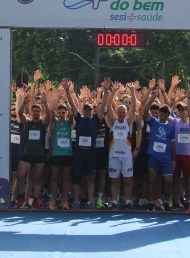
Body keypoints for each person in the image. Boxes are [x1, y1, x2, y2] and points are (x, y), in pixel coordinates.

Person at [11, 85, 50, 209]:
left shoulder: (43, 123)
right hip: (27, 153)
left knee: (38, 179)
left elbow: (49, 116)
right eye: (34, 111)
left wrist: (46, 103)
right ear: (32, 112)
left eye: (38, 111)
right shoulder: (27, 122)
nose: (36, 113)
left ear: (40, 113)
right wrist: (24, 103)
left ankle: (36, 199)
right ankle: (21, 197)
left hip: (39, 155)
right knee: (20, 176)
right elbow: (20, 114)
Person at [103, 81, 138, 209]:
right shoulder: (113, 122)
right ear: (117, 113)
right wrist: (112, 91)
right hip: (114, 156)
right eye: (120, 112)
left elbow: (134, 106)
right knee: (114, 180)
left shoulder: (129, 122)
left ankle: (128, 201)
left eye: (124, 112)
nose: (122, 114)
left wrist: (132, 92)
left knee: (128, 180)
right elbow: (108, 105)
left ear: (126, 113)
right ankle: (114, 201)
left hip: (126, 156)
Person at [142, 88, 177, 211]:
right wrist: (152, 97)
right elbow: (145, 111)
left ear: (168, 116)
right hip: (154, 156)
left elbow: (173, 144)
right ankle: (151, 202)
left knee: (169, 180)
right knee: (152, 179)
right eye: (161, 114)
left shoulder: (171, 127)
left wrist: (174, 159)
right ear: (159, 114)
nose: (162, 117)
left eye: (165, 115)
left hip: (166, 157)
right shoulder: (154, 122)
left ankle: (166, 201)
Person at [66, 79, 98, 209]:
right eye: (85, 110)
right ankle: (76, 201)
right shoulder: (79, 118)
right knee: (77, 177)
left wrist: (107, 91)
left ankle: (90, 201)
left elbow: (102, 106)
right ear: (83, 111)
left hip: (91, 153)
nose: (87, 112)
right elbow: (73, 105)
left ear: (92, 111)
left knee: (91, 178)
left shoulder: (95, 120)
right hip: (79, 152)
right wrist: (67, 91)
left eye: (89, 110)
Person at [47, 103, 73, 210]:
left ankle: (65, 201)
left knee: (66, 177)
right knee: (54, 177)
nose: (61, 114)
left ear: (66, 113)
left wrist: (66, 101)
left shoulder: (69, 123)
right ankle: (53, 200)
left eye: (63, 112)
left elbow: (72, 114)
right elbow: (51, 111)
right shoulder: (55, 122)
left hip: (67, 154)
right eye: (60, 112)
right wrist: (57, 99)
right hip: (56, 154)